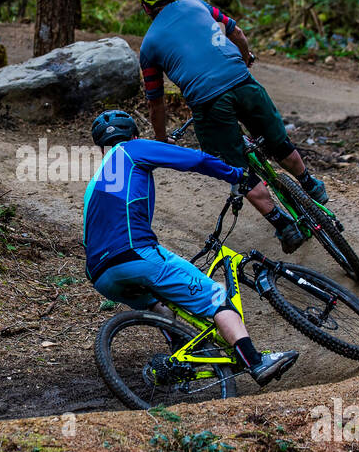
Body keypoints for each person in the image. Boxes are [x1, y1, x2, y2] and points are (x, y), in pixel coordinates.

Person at [82, 109, 299, 387]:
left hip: (101, 275)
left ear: (102, 148)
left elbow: (88, 240)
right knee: (217, 299)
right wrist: (236, 176)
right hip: (136, 254)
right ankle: (256, 362)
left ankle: (180, 361)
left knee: (160, 306)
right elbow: (193, 159)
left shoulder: (93, 186)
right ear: (134, 135)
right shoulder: (132, 149)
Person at [135, 0, 329, 253]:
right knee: (277, 140)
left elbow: (156, 102)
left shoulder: (149, 45)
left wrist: (162, 138)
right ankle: (309, 183)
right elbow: (235, 32)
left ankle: (284, 226)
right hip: (242, 81)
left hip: (208, 102)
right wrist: (246, 56)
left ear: (145, 8)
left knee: (236, 169)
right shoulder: (198, 4)